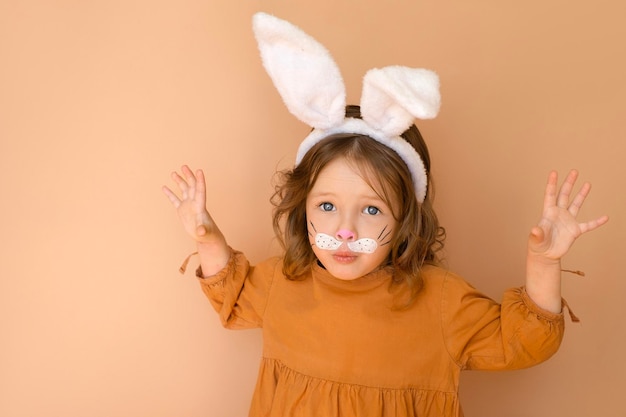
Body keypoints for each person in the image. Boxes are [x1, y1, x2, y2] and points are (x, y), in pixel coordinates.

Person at [162, 12, 608, 417]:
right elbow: (233, 296)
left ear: (404, 221)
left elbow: (525, 344)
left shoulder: (442, 302)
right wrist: (207, 237)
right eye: (327, 206)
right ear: (303, 209)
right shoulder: (286, 280)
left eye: (372, 209)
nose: (344, 230)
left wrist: (544, 263)